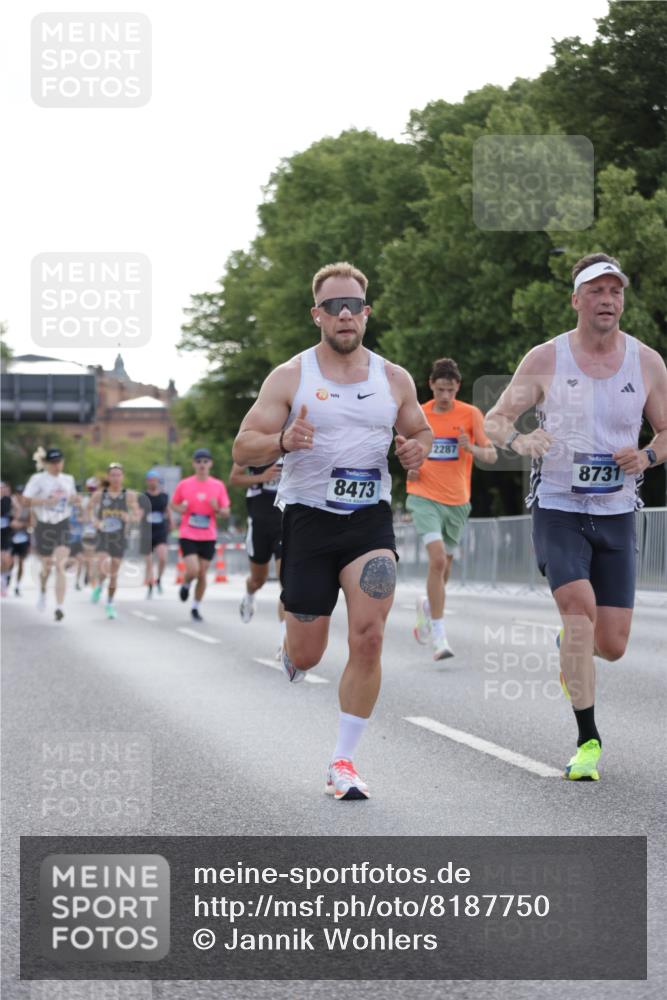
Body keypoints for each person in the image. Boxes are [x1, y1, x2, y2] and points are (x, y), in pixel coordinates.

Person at [232, 261, 432, 800]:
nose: (345, 315)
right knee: (308, 654)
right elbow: (243, 445)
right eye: (334, 306)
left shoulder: (393, 378)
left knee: (369, 636)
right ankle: (290, 647)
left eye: (354, 306)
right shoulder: (291, 376)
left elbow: (419, 430)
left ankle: (343, 761)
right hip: (307, 519)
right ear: (317, 314)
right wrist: (281, 443)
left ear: (367, 314)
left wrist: (417, 449)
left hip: (369, 520)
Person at [484, 253, 667, 781]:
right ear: (577, 300)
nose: (607, 300)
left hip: (616, 511)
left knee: (610, 644)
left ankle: (571, 649)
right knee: (578, 610)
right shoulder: (546, 358)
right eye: (596, 291)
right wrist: (522, 438)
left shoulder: (647, 361)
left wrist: (648, 456)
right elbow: (496, 421)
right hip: (559, 507)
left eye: (615, 292)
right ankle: (588, 740)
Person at [407, 358, 497, 660]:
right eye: (440, 389)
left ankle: (428, 607)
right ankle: (439, 636)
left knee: (443, 567)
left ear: (458, 387)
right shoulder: (419, 413)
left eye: (451, 389)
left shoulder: (470, 414)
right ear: (431, 385)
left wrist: (470, 448)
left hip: (457, 500)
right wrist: (411, 469)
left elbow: (492, 455)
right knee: (436, 561)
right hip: (423, 496)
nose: (445, 396)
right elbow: (408, 453)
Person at [229, 457, 285, 656]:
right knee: (257, 580)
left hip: (285, 523)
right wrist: (263, 477)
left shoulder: (297, 441)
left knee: (287, 583)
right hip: (259, 523)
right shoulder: (258, 442)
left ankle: (283, 644)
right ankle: (249, 595)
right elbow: (235, 478)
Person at [170, 449, 230, 622]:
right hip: (188, 533)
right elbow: (174, 504)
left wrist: (217, 508)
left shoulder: (218, 485)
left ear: (210, 464)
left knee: (202, 573)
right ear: (194, 464)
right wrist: (181, 508)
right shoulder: (184, 484)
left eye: (205, 461)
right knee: (194, 570)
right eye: (199, 461)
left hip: (208, 535)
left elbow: (226, 511)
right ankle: (186, 583)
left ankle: (196, 607)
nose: (202, 464)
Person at [22, 447, 79, 621]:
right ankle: (42, 591)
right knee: (47, 566)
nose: (57, 466)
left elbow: (76, 499)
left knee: (61, 565)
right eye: (53, 463)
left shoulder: (68, 479)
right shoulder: (38, 479)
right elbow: (25, 500)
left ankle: (60, 606)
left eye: (59, 462)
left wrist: (73, 500)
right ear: (47, 464)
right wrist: (46, 501)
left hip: (62, 524)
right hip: (44, 524)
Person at [88, 463, 143, 620]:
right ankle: (99, 585)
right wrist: (95, 522)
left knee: (114, 573)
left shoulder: (129, 495)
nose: (116, 478)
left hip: (119, 537)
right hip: (103, 535)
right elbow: (89, 510)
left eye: (118, 475)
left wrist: (130, 517)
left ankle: (110, 603)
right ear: (108, 477)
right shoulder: (100, 494)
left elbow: (137, 515)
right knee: (103, 564)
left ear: (122, 477)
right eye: (113, 475)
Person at [140, 470, 172, 597]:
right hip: (147, 531)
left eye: (155, 479)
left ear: (158, 481)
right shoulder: (142, 496)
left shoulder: (164, 496)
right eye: (150, 479)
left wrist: (171, 522)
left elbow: (167, 509)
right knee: (149, 561)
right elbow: (139, 511)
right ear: (147, 481)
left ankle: (159, 579)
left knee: (163, 557)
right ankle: (150, 585)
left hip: (160, 530)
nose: (152, 482)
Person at [9, 485, 31, 596]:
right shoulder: (10, 505)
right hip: (11, 537)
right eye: (18, 493)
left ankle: (17, 585)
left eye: (22, 493)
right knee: (10, 562)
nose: (20, 495)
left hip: (23, 537)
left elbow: (31, 523)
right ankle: (7, 579)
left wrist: (22, 524)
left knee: (21, 563)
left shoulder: (28, 508)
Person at [1, 482, 17, 597]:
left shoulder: (9, 500)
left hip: (6, 534)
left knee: (7, 560)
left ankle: (4, 579)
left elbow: (18, 511)